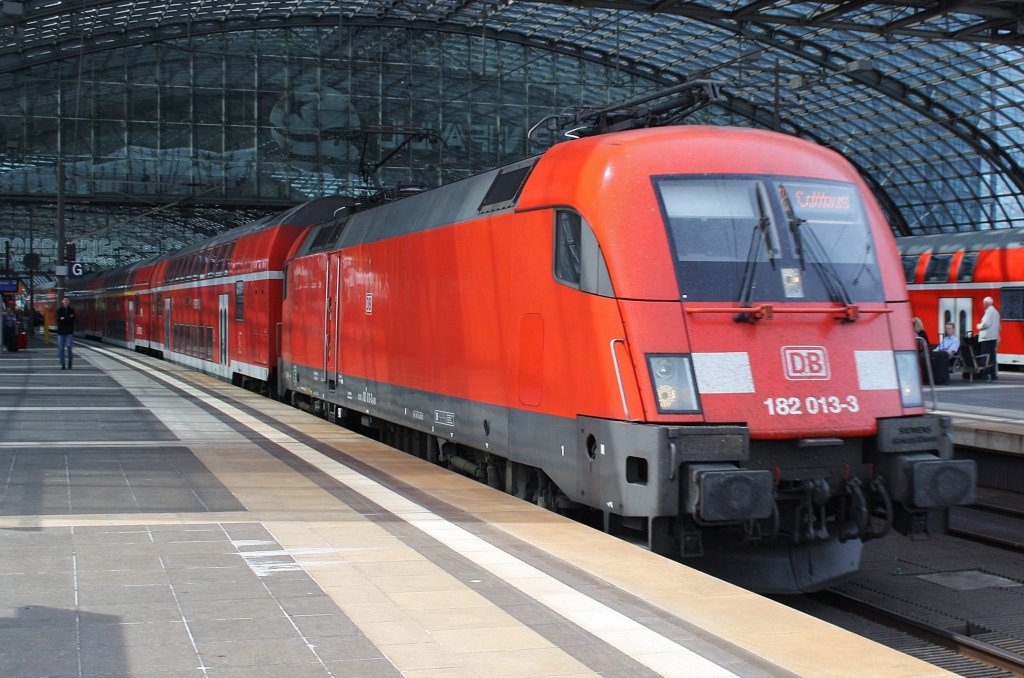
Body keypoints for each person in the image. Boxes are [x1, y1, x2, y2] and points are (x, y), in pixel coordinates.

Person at [976, 296, 1001, 381]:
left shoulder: (989, 312)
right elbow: (998, 326)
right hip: (993, 337)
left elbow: (986, 324)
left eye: (984, 303)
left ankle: (985, 374)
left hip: (986, 338)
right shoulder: (996, 312)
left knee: (985, 357)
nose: (983, 305)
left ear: (986, 303)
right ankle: (993, 375)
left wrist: (978, 326)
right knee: (992, 357)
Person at [56, 296, 76, 370]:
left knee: (69, 346)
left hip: (69, 332)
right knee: (61, 349)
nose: (66, 302)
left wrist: (64, 318)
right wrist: (67, 318)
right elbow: (59, 320)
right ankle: (63, 364)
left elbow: (72, 319)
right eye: (65, 300)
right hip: (61, 332)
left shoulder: (72, 310)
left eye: (67, 300)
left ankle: (70, 361)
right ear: (62, 302)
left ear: (69, 302)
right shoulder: (60, 310)